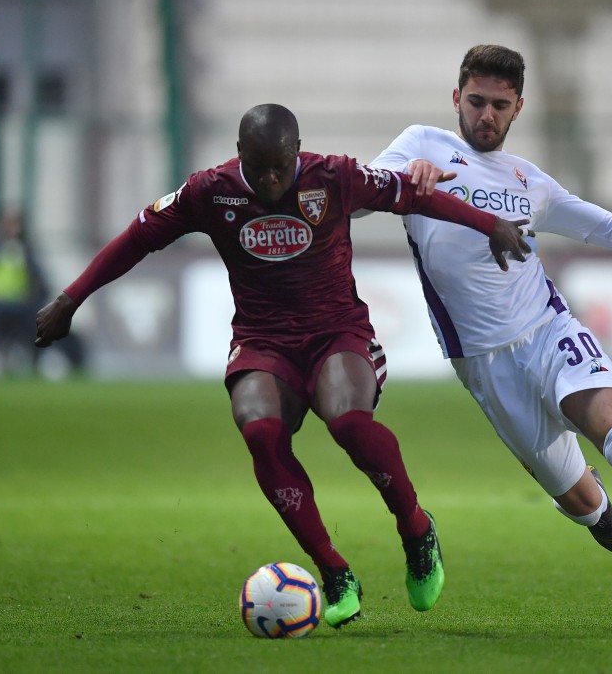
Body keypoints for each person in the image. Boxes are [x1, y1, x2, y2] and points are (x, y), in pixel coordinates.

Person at [34, 103, 532, 628]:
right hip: (262, 342)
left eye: (280, 165)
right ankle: (335, 571)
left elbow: (411, 194)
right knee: (260, 431)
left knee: (348, 422)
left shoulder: (334, 176)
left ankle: (415, 528)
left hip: (337, 334)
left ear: (298, 151)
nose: (270, 178)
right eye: (258, 165)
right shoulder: (209, 191)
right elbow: (138, 237)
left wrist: (489, 223)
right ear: (239, 153)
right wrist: (71, 299)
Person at [368, 45, 612, 630]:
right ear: (457, 98)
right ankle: (596, 508)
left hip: (549, 330)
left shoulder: (527, 180)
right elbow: (357, 196)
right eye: (478, 101)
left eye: (500, 106)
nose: (487, 115)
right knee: (582, 503)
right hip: (484, 363)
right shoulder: (421, 145)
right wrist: (399, 183)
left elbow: (611, 230)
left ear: (518, 110)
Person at [0, 208, 49, 378]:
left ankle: (36, 359)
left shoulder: (26, 248)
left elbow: (38, 276)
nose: (11, 228)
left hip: (21, 303)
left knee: (37, 323)